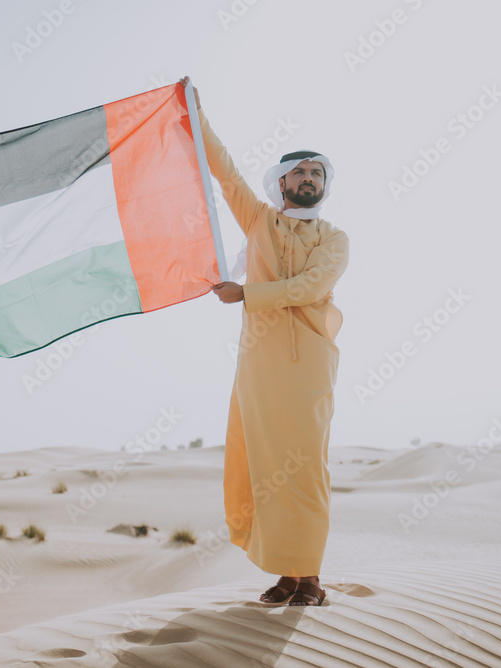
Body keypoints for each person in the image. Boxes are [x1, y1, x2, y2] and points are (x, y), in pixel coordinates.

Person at [181, 77, 350, 607]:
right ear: (281, 182)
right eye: (299, 171)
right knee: (264, 466)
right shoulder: (257, 219)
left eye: (316, 172)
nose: (308, 178)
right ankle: (286, 573)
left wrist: (247, 293)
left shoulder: (336, 239)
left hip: (309, 367)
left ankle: (311, 577)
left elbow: (313, 288)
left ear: (324, 184)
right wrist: (196, 113)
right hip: (258, 364)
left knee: (305, 466)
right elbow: (223, 170)